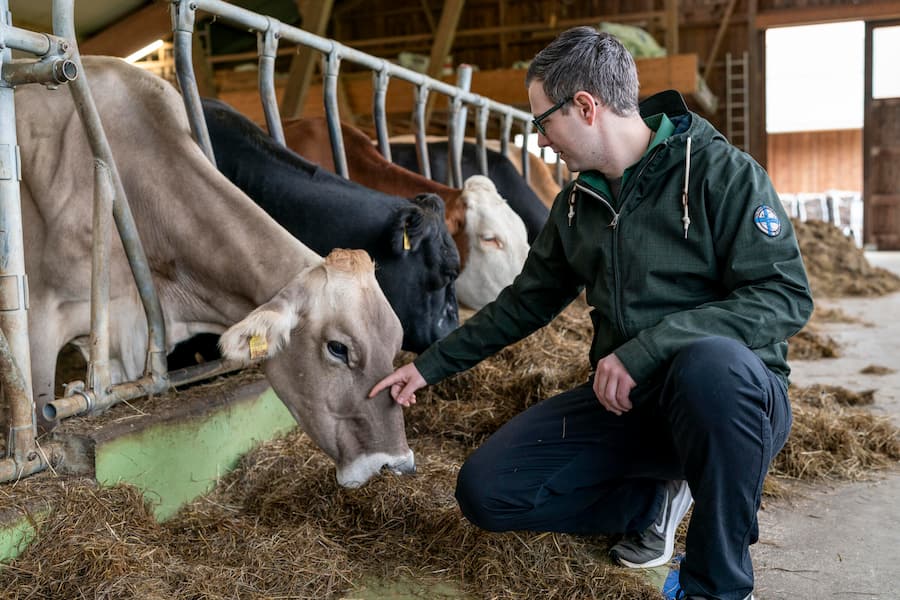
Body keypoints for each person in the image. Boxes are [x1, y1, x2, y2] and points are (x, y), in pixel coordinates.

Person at [369, 26, 812, 600]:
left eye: (542, 121)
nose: (542, 141)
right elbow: (527, 300)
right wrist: (428, 366)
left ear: (585, 106)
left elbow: (783, 294)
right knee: (488, 491)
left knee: (710, 368)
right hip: (631, 406)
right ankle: (653, 496)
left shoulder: (721, 173)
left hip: (731, 406)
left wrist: (646, 349)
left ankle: (716, 583)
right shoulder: (578, 203)